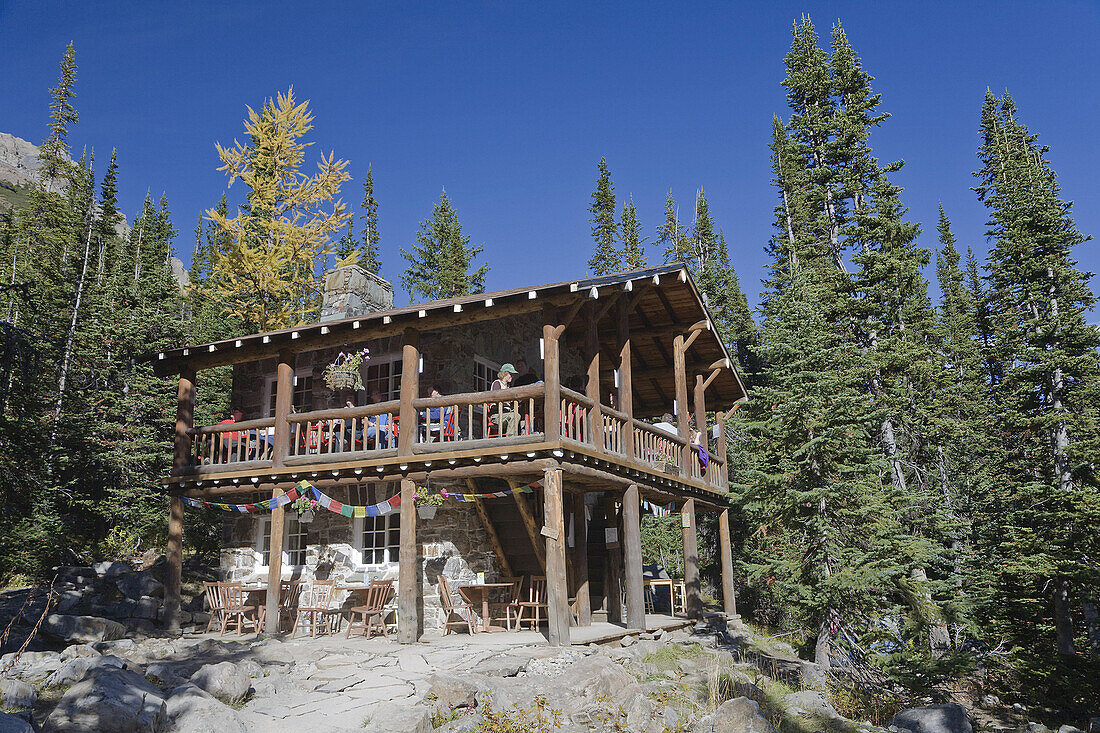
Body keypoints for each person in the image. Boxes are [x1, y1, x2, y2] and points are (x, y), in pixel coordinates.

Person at [489, 363, 519, 436]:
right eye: (510, 374)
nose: (512, 376)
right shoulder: (497, 383)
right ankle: (510, 438)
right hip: (497, 415)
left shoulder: (508, 387)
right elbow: (496, 397)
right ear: (504, 374)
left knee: (520, 417)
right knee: (515, 416)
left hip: (506, 413)